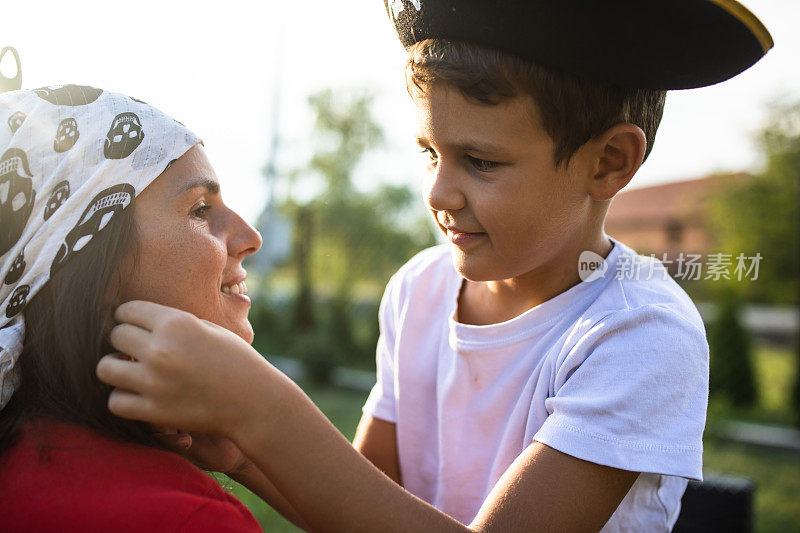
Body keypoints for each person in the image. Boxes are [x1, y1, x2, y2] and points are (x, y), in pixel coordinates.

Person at [96, 1, 774, 531]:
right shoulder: (420, 289)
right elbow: (362, 504)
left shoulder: (641, 334)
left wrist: (264, 404)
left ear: (608, 163)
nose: (439, 193)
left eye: (480, 161)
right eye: (429, 152)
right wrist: (240, 448)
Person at [0, 85, 266, 532]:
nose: (250, 236)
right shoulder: (185, 518)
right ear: (99, 269)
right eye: (201, 210)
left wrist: (239, 451)